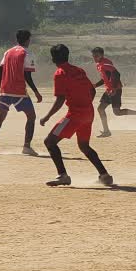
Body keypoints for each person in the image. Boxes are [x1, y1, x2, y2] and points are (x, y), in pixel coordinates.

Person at [39, 44, 113, 187]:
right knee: (84, 146)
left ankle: (63, 176)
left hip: (75, 115)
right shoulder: (79, 70)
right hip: (88, 113)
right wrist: (85, 104)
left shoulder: (60, 73)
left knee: (49, 142)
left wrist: (46, 117)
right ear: (67, 56)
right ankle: (104, 175)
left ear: (53, 59)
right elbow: (92, 90)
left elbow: (60, 99)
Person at [0, 30, 42, 156]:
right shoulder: (27, 53)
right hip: (19, 92)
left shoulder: (8, 52)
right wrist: (36, 92)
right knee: (31, 116)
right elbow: (27, 76)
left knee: (0, 118)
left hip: (5, 91)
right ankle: (26, 146)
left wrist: (3, 86)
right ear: (28, 40)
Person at [91, 47, 136, 137]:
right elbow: (105, 77)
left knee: (117, 112)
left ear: (102, 55)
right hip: (109, 90)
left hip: (115, 90)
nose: (94, 58)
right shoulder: (99, 64)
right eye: (93, 56)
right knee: (101, 109)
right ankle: (106, 131)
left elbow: (116, 74)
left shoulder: (105, 63)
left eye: (96, 56)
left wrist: (113, 89)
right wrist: (95, 85)